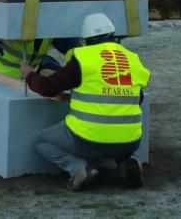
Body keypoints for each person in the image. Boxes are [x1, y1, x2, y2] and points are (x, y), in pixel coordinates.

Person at [21, 13, 150, 191]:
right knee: (120, 142)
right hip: (131, 140)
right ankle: (129, 160)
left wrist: (29, 74)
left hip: (88, 140)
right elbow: (139, 97)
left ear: (87, 39)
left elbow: (47, 88)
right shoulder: (131, 59)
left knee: (42, 142)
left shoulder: (84, 59)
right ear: (113, 35)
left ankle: (78, 169)